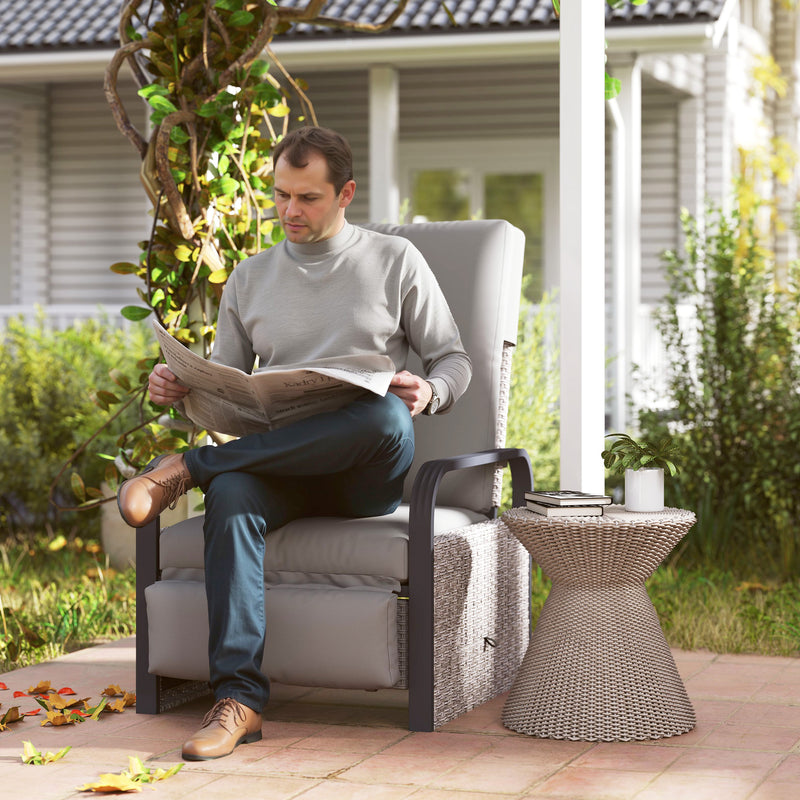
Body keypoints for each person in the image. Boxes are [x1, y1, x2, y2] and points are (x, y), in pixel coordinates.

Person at [117, 126, 472, 761]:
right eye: (280, 195)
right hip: (281, 462)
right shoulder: (250, 279)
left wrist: (431, 392)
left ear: (346, 193)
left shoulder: (395, 261)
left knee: (387, 416)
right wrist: (181, 387)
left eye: (307, 198)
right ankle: (240, 701)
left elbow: (454, 359)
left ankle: (187, 470)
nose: (290, 211)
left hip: (365, 468)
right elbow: (226, 387)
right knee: (231, 493)